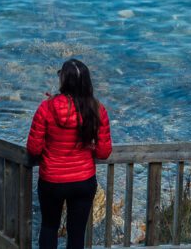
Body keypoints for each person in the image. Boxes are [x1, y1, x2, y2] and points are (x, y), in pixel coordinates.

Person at [26, 58, 113, 249]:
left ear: (63, 81)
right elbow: (104, 151)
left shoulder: (46, 108)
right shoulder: (97, 109)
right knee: (76, 234)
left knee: (49, 227)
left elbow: (33, 149)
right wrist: (88, 148)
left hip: (52, 181)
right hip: (83, 181)